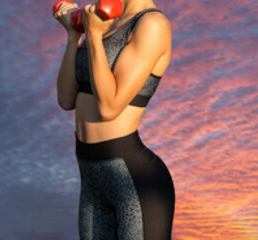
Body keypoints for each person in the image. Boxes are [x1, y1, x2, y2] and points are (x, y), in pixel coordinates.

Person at [51, 0, 174, 239]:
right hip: (91, 179)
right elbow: (66, 100)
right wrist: (74, 36)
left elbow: (110, 107)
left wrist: (94, 36)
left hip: (135, 183)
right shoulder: (103, 23)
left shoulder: (152, 24)